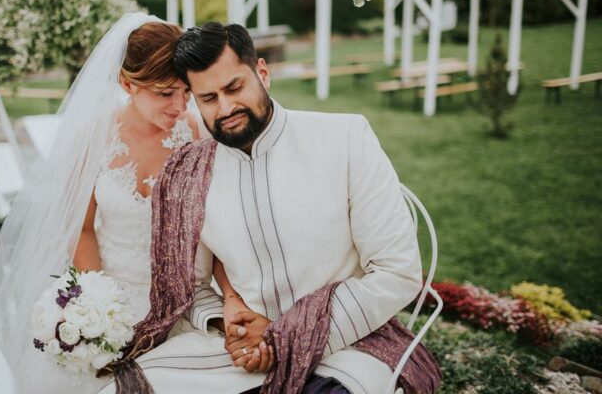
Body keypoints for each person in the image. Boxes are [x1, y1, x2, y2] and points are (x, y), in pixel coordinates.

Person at [101, 22, 441, 394]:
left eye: (234, 87)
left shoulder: (344, 139)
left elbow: (398, 271)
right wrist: (227, 322)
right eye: (209, 98)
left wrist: (284, 337)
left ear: (262, 72)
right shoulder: (191, 172)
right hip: (235, 358)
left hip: (349, 342)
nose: (226, 107)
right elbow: (190, 286)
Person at [0, 13, 240, 394]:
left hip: (186, 305)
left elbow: (222, 225)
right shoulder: (93, 138)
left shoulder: (195, 131)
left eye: (185, 92)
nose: (179, 106)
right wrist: (99, 312)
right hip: (113, 299)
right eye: (164, 93)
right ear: (127, 83)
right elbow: (82, 228)